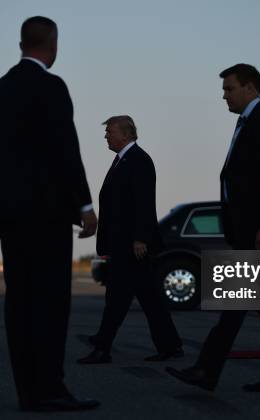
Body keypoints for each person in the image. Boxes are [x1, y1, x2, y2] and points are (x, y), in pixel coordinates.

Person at [0, 16, 99, 412]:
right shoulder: (50, 86)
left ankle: (28, 392)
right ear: (52, 43)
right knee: (50, 302)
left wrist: (8, 192)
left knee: (19, 302)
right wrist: (83, 204)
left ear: (22, 43)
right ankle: (50, 387)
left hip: (8, 212)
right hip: (45, 213)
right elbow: (64, 148)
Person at [166, 64, 260, 392]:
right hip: (247, 229)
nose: (224, 95)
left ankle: (207, 370)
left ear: (250, 88)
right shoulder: (249, 121)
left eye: (229, 88)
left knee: (241, 305)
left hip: (257, 231)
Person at [77, 116, 182, 364]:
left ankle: (103, 346)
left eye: (109, 131)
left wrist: (141, 238)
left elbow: (144, 203)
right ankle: (170, 345)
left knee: (119, 297)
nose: (106, 136)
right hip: (122, 243)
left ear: (125, 134)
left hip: (131, 244)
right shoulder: (123, 160)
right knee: (147, 296)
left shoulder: (138, 160)